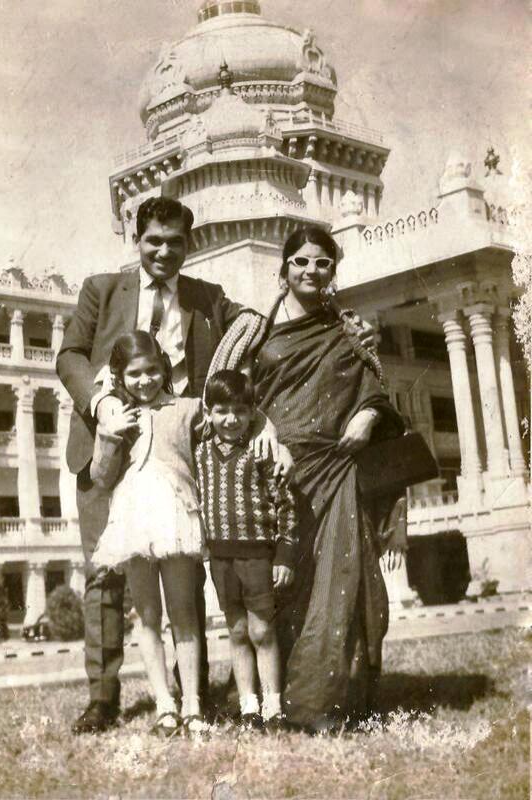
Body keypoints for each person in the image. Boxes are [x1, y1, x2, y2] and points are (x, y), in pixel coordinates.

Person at [56, 196, 291, 735]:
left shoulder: (206, 297)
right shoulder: (102, 289)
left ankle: (194, 697)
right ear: (136, 240)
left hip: (181, 447)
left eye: (175, 242)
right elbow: (70, 356)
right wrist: (102, 403)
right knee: (105, 577)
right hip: (107, 446)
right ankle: (103, 698)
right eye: (153, 240)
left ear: (189, 244)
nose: (164, 251)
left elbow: (259, 331)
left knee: (188, 572)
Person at [210, 225, 406, 734]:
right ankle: (271, 699)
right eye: (301, 262)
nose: (311, 271)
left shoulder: (349, 330)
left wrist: (369, 413)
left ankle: (329, 699)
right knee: (278, 587)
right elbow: (225, 394)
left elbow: (378, 388)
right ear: (284, 269)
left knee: (339, 579)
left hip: (335, 466)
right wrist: (264, 428)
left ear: (333, 272)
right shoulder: (256, 331)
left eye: (322, 263)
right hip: (274, 473)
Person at [89, 331, 209, 737]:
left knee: (184, 612)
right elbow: (101, 478)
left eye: (153, 371)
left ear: (165, 368)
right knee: (147, 616)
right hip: (134, 517)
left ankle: (192, 703)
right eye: (135, 374)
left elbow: (231, 423)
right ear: (120, 377)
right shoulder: (119, 417)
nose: (145, 381)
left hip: (176, 514)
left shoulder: (189, 408)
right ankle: (165, 704)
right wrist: (108, 434)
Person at [195, 370, 299, 733]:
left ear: (253, 412)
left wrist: (284, 555)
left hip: (257, 555)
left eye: (239, 410)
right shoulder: (201, 453)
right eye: (221, 410)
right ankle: (248, 706)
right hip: (221, 558)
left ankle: (273, 707)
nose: (230, 419)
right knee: (237, 630)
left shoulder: (262, 450)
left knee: (262, 631)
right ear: (208, 413)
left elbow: (285, 504)